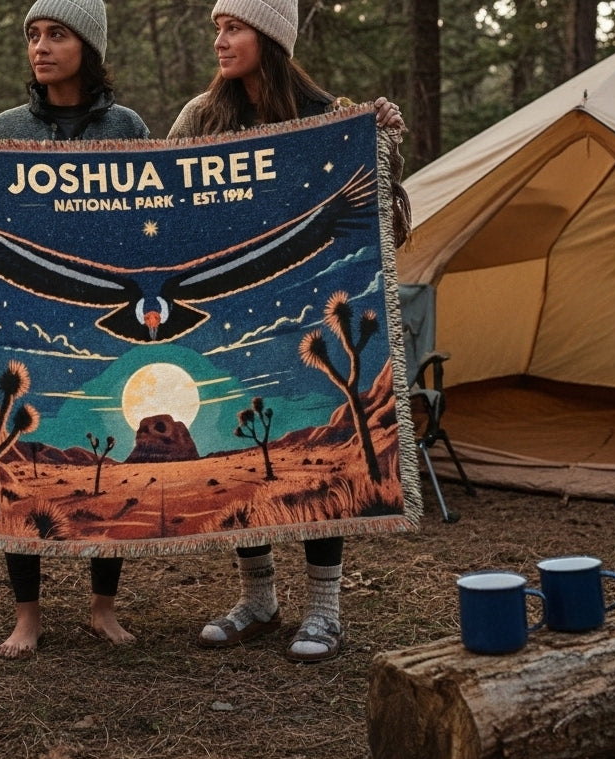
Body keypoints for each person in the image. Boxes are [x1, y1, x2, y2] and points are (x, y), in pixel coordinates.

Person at [0, 0, 151, 660]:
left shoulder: (126, 127)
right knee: (19, 464)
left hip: (103, 331)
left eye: (57, 35)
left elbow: (159, 213)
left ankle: (103, 607)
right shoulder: (5, 127)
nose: (41, 48)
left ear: (89, 47)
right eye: (34, 36)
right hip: (23, 329)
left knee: (107, 462)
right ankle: (27, 616)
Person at [167, 0, 406, 663]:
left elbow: (387, 219)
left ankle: (324, 609)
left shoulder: (331, 119)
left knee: (315, 460)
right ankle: (260, 600)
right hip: (228, 322)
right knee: (240, 456)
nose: (220, 39)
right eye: (217, 27)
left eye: (234, 27)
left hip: (306, 324)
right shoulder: (201, 119)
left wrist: (382, 141)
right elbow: (160, 202)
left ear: (269, 37)